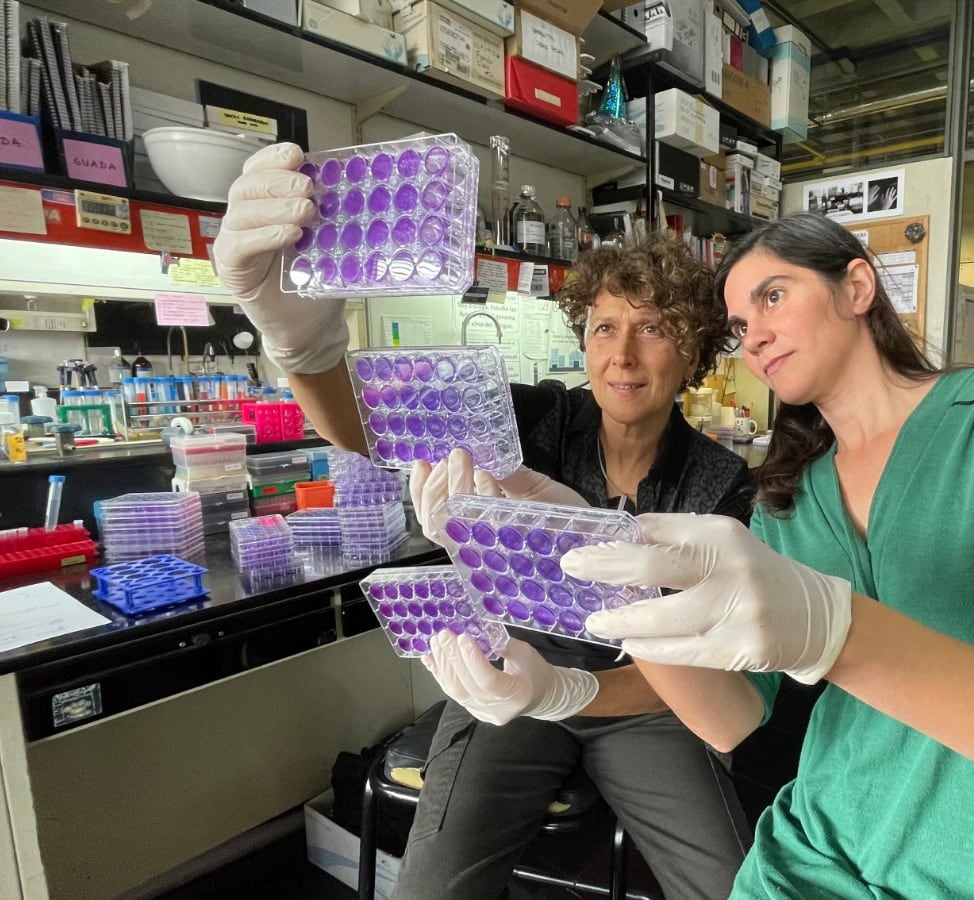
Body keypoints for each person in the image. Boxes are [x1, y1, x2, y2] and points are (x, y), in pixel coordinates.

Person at [560, 212, 974, 899]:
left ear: (857, 287)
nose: (755, 336)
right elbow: (732, 718)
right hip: (820, 854)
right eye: (740, 324)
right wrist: (602, 591)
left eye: (773, 296)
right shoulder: (789, 498)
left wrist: (841, 632)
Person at [212, 142, 754, 899]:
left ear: (693, 350)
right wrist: (301, 344)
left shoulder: (721, 483)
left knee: (733, 884)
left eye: (654, 328)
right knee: (436, 885)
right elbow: (364, 428)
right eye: (604, 328)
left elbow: (712, 674)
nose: (623, 355)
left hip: (648, 696)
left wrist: (571, 691)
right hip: (515, 667)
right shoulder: (537, 420)